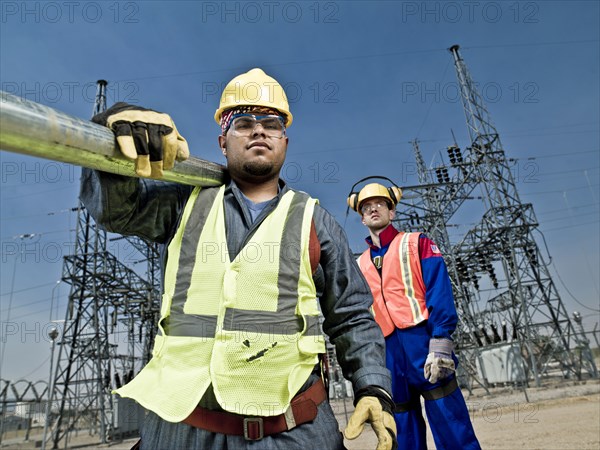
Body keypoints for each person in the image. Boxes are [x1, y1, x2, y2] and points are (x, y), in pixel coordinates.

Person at [80, 68, 396, 450]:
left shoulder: (315, 221)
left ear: (284, 140)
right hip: (181, 432)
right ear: (222, 141)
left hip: (292, 432)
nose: (259, 131)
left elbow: (351, 316)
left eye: (271, 123)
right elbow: (116, 210)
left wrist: (372, 386)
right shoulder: (184, 201)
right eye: (244, 123)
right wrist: (112, 137)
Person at [349, 182, 481, 450]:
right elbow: (359, 316)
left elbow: (438, 289)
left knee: (450, 421)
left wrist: (441, 340)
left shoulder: (416, 242)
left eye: (380, 203)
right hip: (387, 353)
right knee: (402, 430)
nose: (373, 208)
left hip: (423, 344)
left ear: (392, 211)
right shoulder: (359, 264)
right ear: (362, 219)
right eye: (366, 207)